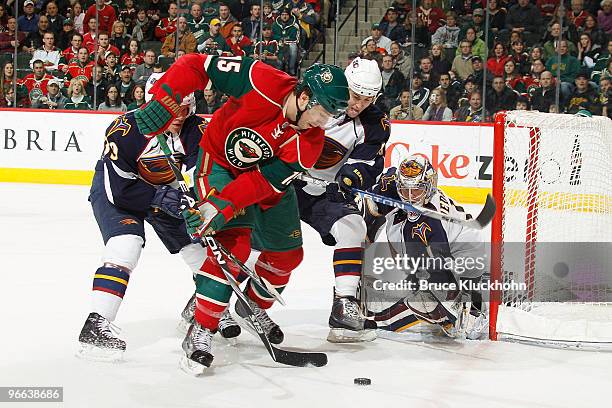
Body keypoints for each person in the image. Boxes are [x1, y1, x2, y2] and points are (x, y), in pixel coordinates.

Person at [134, 55, 349, 374]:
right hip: (219, 163)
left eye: (330, 116)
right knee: (234, 246)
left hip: (260, 184)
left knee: (287, 255)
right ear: (304, 97)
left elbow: (262, 182)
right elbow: (196, 65)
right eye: (321, 113)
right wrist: (166, 97)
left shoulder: (310, 144)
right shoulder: (262, 79)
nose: (323, 122)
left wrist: (226, 204)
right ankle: (202, 330)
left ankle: (251, 308)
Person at [77, 78, 240, 361]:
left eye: (186, 109)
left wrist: (197, 203)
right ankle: (96, 323)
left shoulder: (196, 129)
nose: (180, 117)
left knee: (201, 253)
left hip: (168, 192)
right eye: (173, 109)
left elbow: (198, 172)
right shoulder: (125, 131)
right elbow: (119, 188)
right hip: (118, 192)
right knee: (126, 244)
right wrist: (156, 198)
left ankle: (203, 305)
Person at [294, 58, 388, 343]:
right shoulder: (316, 96)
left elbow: (367, 162)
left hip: (324, 190)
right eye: (356, 96)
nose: (359, 104)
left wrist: (351, 178)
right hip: (284, 179)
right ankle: (212, 301)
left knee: (353, 228)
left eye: (367, 99)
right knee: (257, 241)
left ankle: (344, 306)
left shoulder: (374, 123)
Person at [361, 155, 487, 339]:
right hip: (456, 257)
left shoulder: (431, 222)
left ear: (429, 187)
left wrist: (455, 300)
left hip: (460, 264)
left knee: (425, 303)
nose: (410, 197)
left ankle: (469, 311)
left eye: (416, 191)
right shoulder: (401, 198)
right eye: (405, 190)